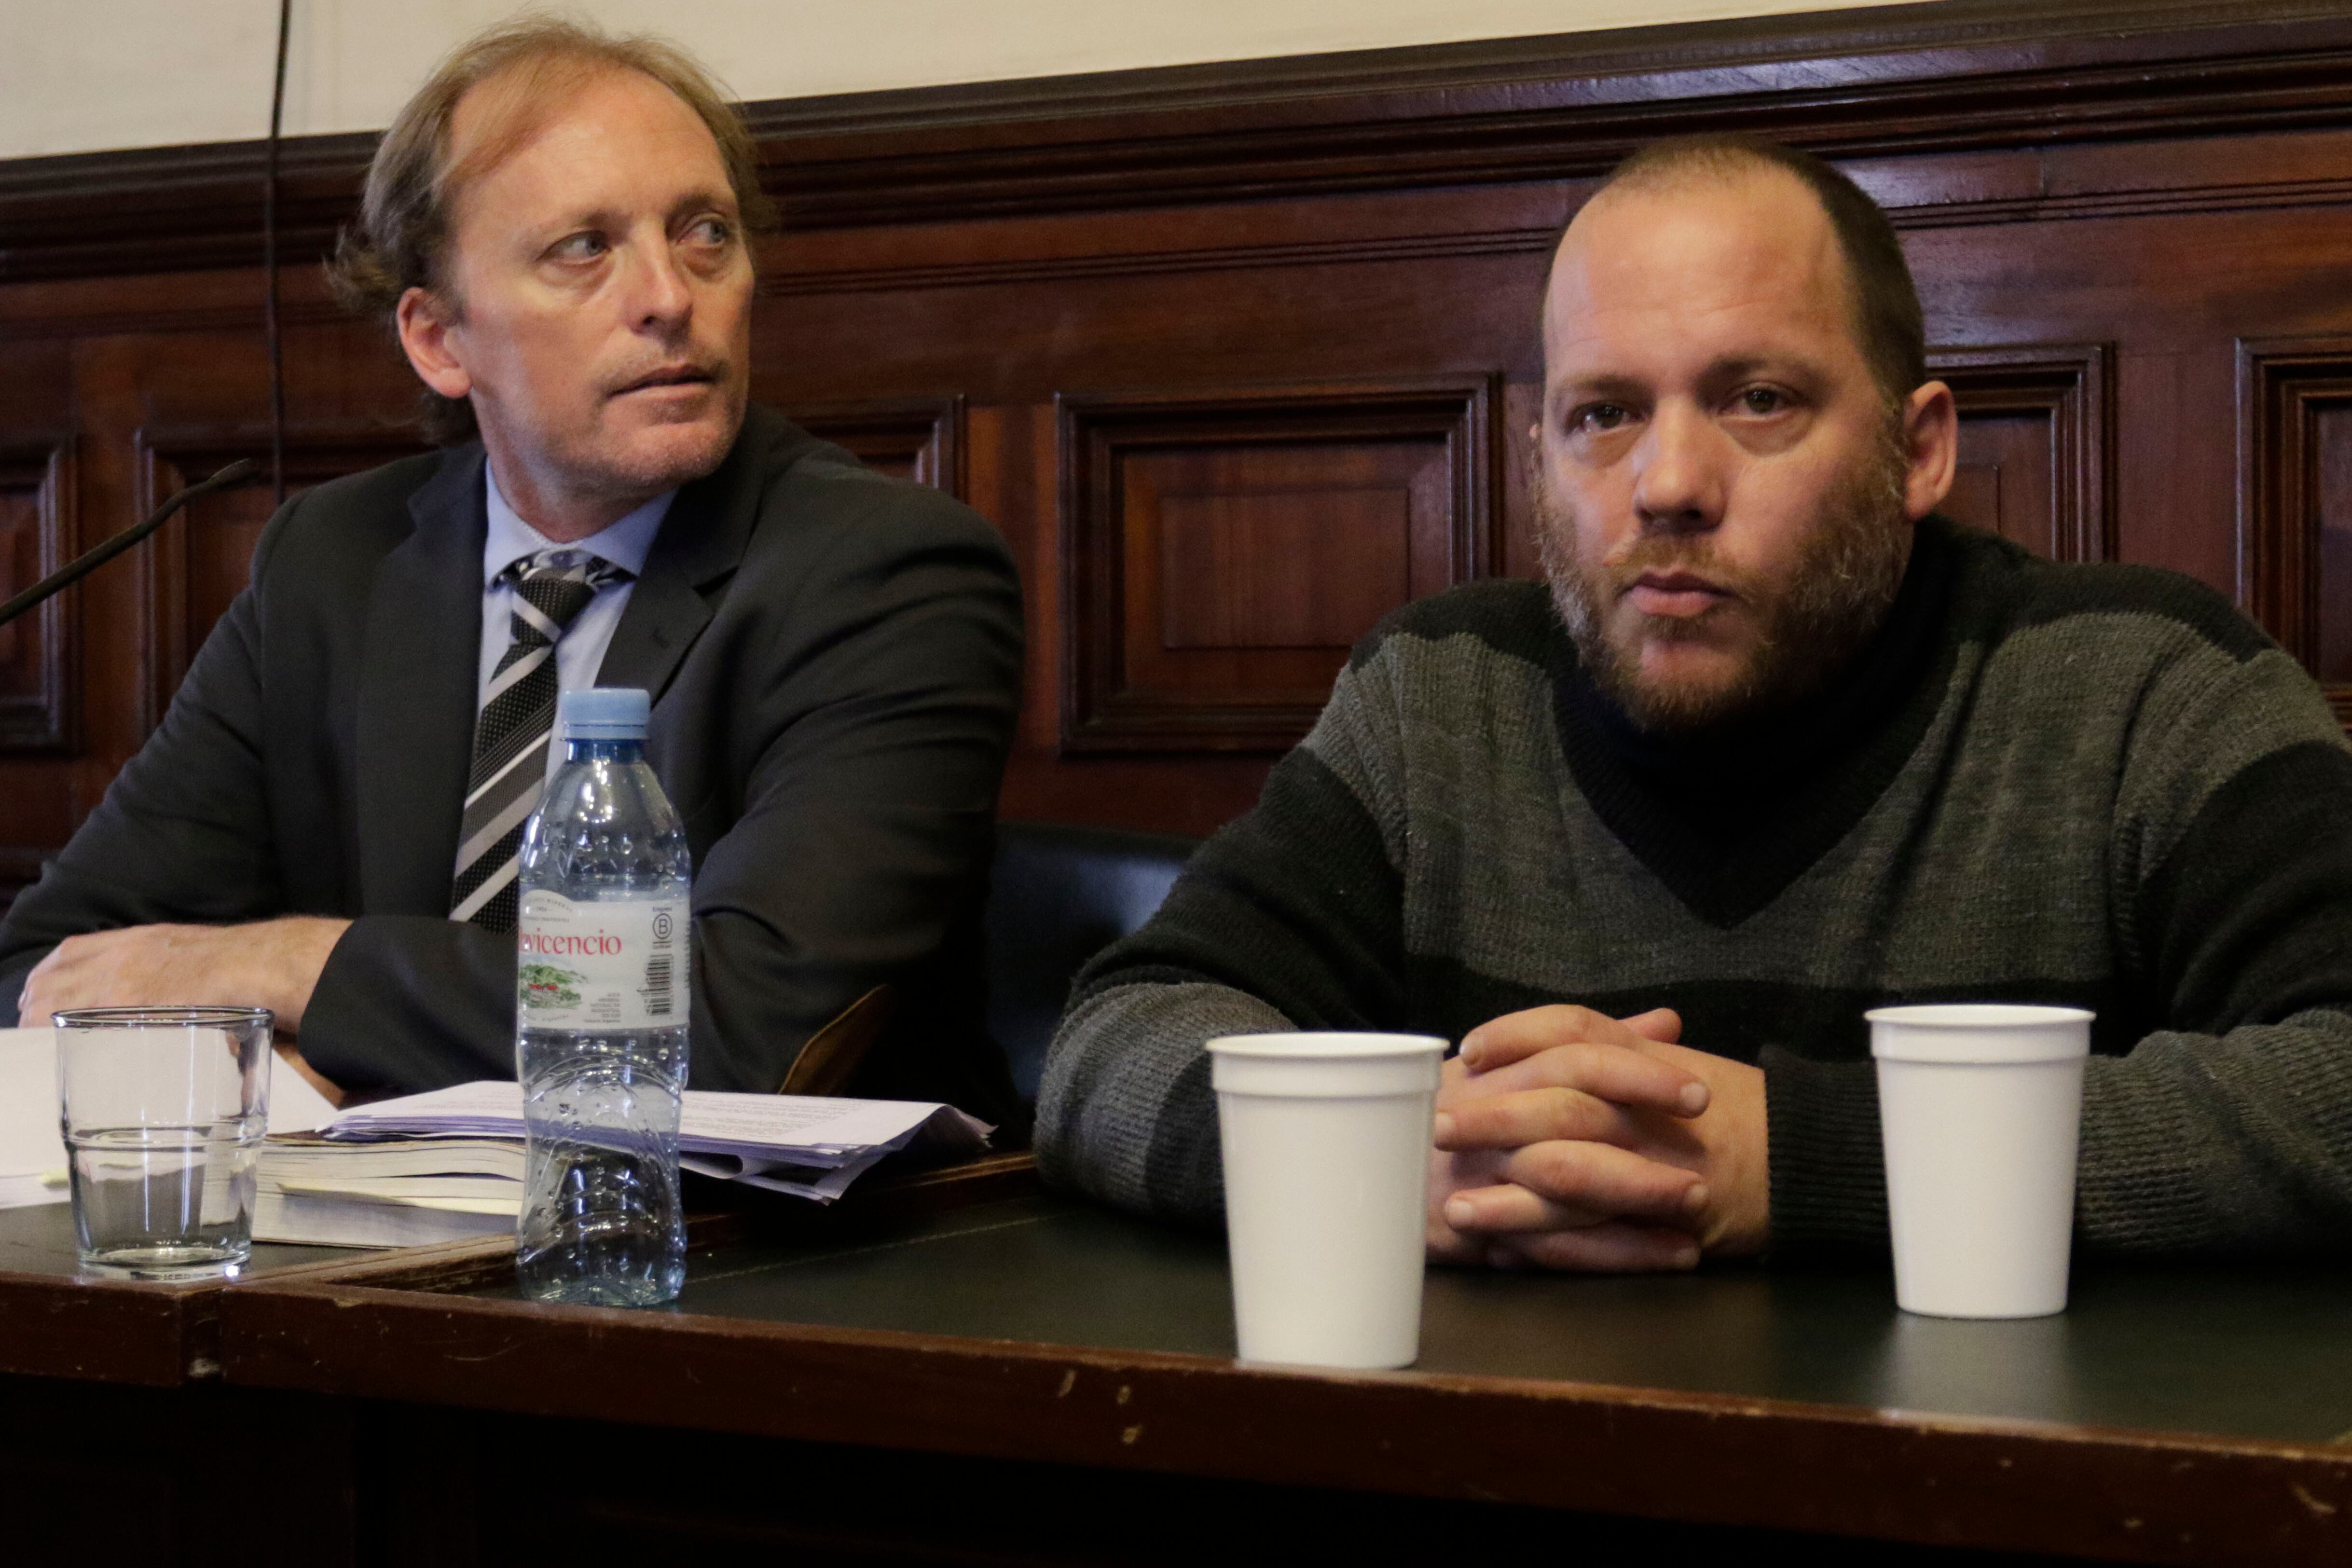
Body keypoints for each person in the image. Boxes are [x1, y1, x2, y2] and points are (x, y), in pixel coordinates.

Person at [1036, 135, 2352, 1266]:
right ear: (1539, 457)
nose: (1666, 481)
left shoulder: (2140, 685)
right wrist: (1383, 1162)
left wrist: (1788, 1157)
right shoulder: (1433, 699)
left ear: (1918, 449)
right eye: (1602, 413)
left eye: (1757, 400)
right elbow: (1111, 1038)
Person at [0, 18, 1025, 1122]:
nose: (669, 296)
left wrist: (295, 968)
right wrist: (261, 1066)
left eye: (703, 234)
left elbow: (742, 1031)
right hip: (364, 1246)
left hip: (773, 1263)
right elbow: (56, 969)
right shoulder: (334, 563)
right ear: (441, 340)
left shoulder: (888, 574)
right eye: (583, 247)